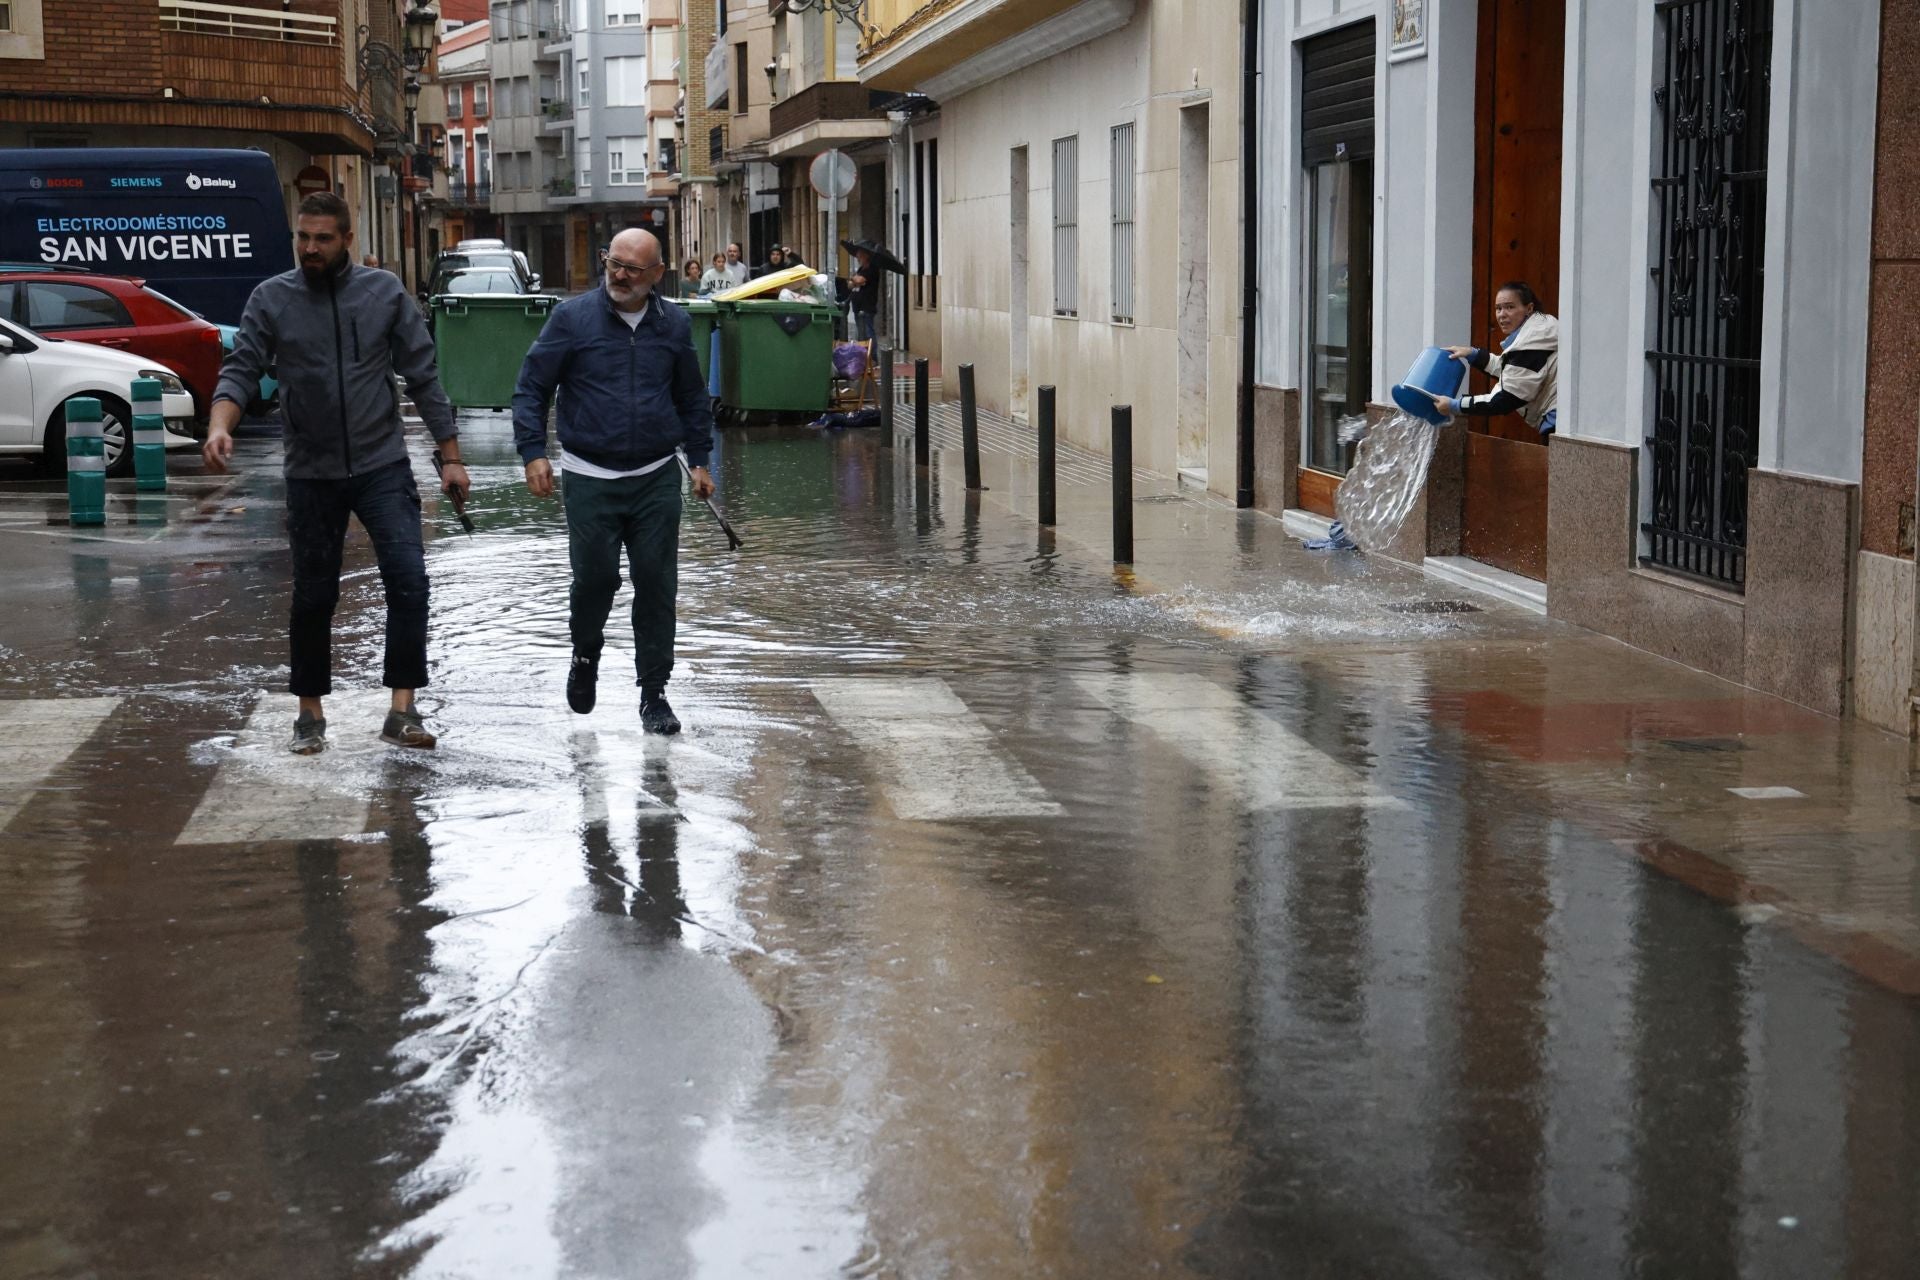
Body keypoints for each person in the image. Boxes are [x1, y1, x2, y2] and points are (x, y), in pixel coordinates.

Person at [204, 191, 465, 754]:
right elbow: (241, 368)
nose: (310, 248)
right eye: (303, 237)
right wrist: (219, 425)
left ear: (348, 239)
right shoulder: (272, 298)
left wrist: (451, 457)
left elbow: (423, 376)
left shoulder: (384, 293)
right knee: (313, 594)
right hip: (310, 470)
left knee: (409, 580)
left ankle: (402, 709)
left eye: (323, 238)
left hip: (381, 464)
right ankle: (309, 714)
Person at [511, 227, 715, 735]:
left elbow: (692, 397)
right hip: (589, 476)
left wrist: (701, 461)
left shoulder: (673, 324)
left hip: (654, 476)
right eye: (613, 263)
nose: (620, 275)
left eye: (632, 268)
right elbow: (532, 386)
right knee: (596, 580)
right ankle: (585, 654)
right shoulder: (572, 318)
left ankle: (654, 694)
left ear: (657, 275)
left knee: (656, 584)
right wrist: (533, 452)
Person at [1437, 281, 1559, 436]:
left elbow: (1503, 400)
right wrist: (1473, 354)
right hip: (1557, 419)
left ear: (1529, 308)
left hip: (1557, 422)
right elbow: (1511, 372)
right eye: (1498, 308)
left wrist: (1455, 405)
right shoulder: (1537, 332)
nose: (1502, 314)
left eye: (1510, 307)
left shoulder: (1532, 342)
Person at [848, 247, 880, 343]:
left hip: (867, 306)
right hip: (857, 306)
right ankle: (863, 353)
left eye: (860, 256)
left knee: (868, 332)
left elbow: (859, 280)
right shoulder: (861, 269)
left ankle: (872, 355)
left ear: (866, 256)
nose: (858, 259)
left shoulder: (872, 269)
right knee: (861, 333)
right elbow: (850, 285)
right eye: (857, 257)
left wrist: (853, 279)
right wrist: (854, 280)